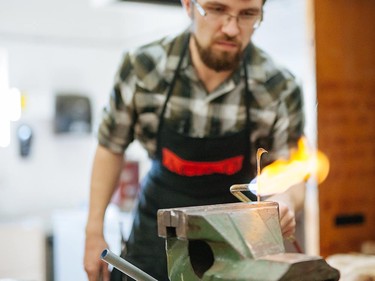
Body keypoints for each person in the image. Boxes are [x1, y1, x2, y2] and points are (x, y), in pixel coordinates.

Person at [84, 0, 306, 280]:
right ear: (188, 5)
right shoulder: (143, 69)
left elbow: (294, 174)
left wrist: (282, 202)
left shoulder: (279, 87)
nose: (231, 28)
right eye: (216, 9)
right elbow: (110, 148)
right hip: (154, 238)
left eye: (248, 14)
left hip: (234, 245)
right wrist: (93, 231)